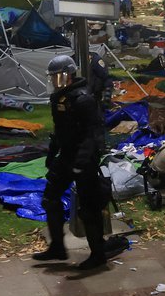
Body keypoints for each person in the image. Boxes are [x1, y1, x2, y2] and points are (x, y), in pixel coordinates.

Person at [33, 55, 113, 270]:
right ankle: (58, 247)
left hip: (84, 159)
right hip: (66, 156)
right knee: (50, 199)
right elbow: (60, 131)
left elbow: (92, 134)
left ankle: (98, 254)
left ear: (68, 75)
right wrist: (52, 153)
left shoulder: (83, 99)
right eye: (52, 77)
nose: (54, 80)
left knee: (89, 208)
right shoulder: (59, 98)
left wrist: (81, 162)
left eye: (57, 76)